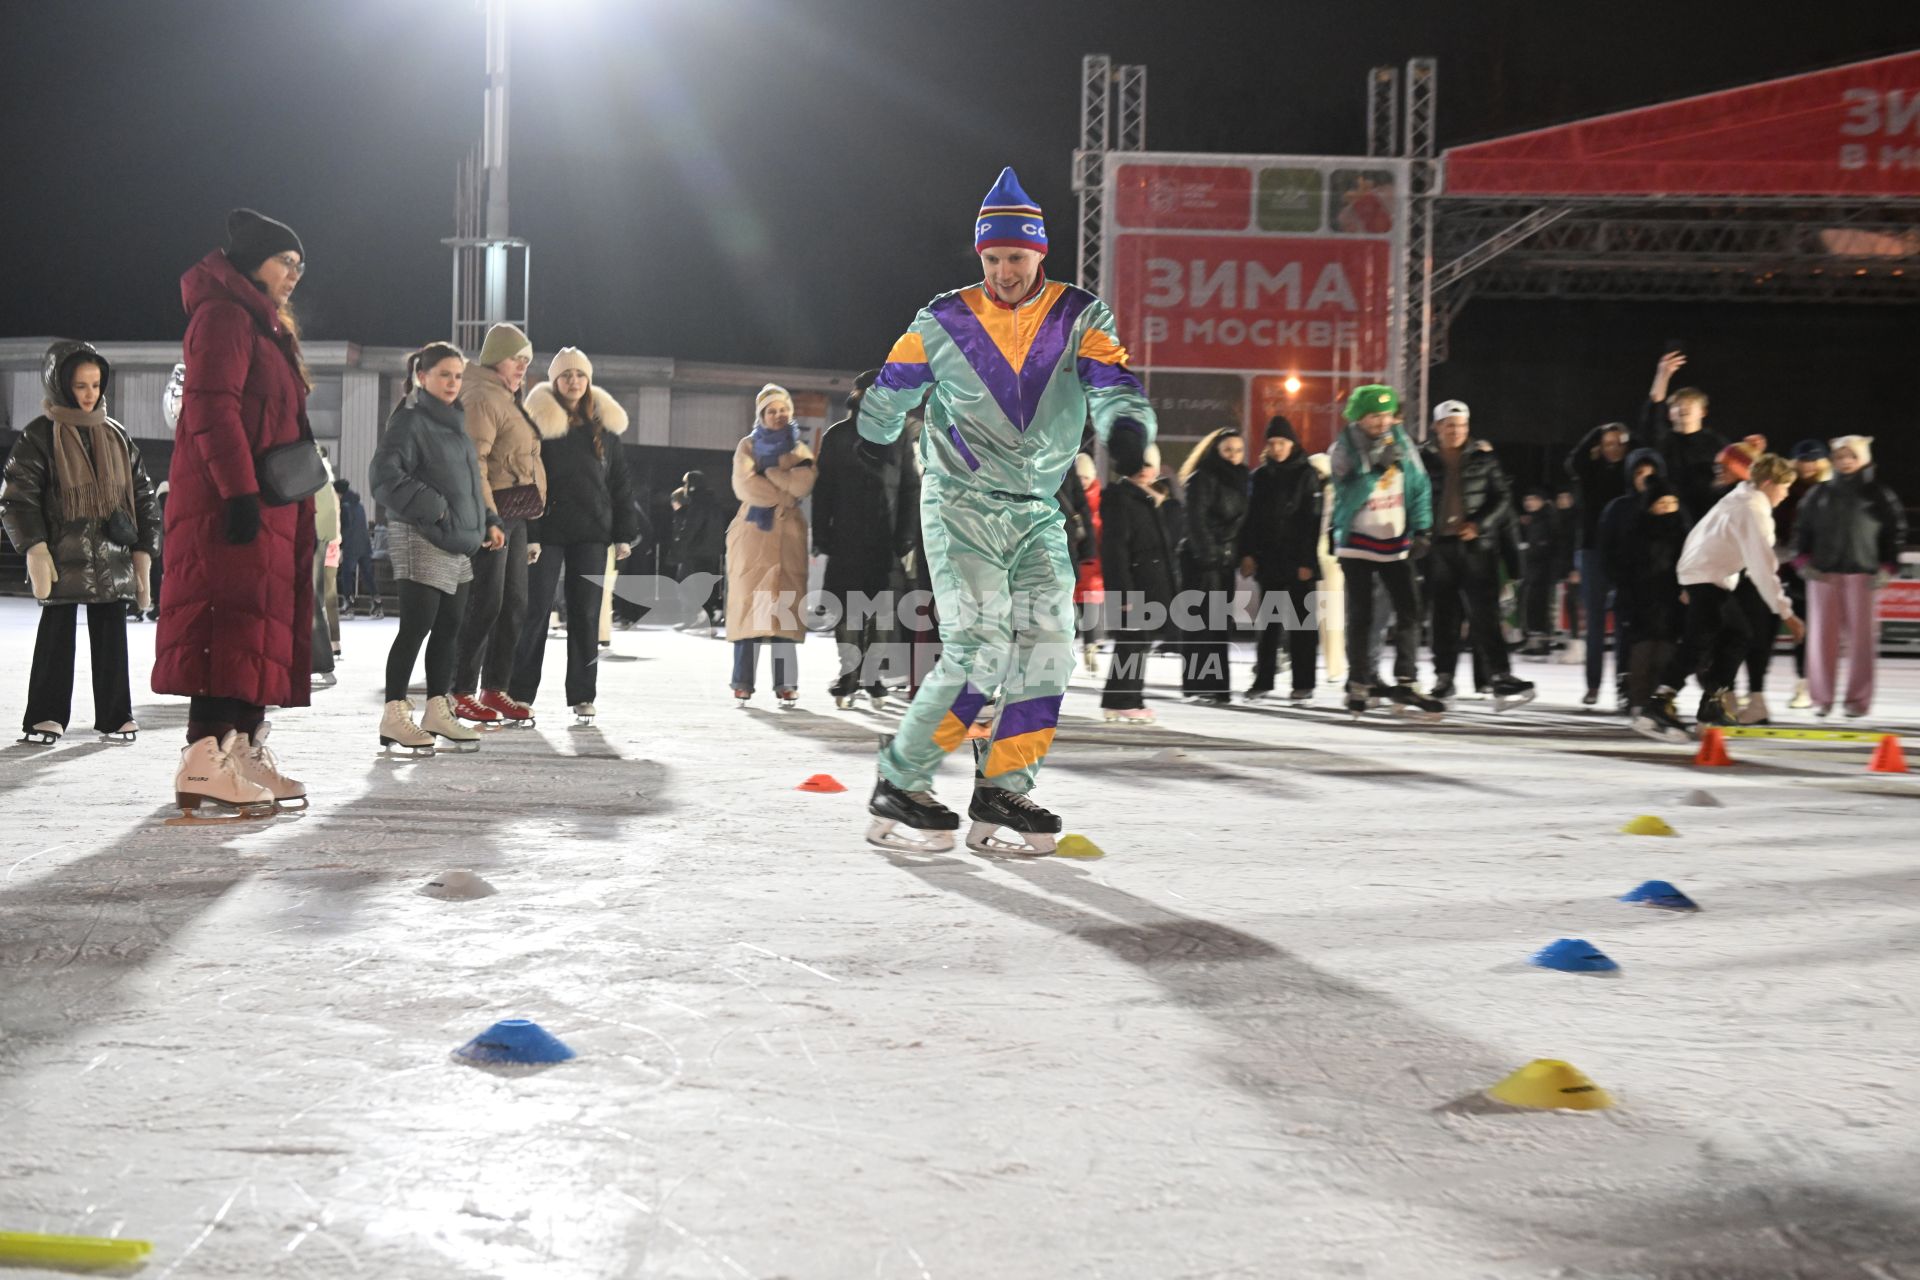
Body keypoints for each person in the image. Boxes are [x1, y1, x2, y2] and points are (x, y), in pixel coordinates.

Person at [854, 166, 1156, 854]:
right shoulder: (945, 317)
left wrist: (1128, 425)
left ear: (1039, 254)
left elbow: (1113, 381)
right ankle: (902, 779)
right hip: (960, 503)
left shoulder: (1080, 315)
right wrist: (872, 435)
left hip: (1036, 511)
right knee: (981, 646)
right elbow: (892, 383)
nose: (1003, 271)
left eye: (1015, 258)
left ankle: (1002, 786)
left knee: (1049, 651)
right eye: (992, 258)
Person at [154, 209, 317, 817]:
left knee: (254, 630)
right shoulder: (223, 316)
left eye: (300, 265)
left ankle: (241, 747)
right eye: (286, 261)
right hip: (232, 501)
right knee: (225, 627)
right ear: (253, 262)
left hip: (269, 503)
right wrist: (238, 492)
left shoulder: (265, 327)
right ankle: (203, 756)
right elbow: (210, 408)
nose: (294, 274)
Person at [1, 341, 161, 745]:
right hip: (61, 554)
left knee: (111, 635)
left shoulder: (116, 434)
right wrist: (35, 547)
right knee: (57, 634)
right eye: (80, 385)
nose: (90, 394)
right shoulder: (39, 436)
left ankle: (115, 714)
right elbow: (17, 497)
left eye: (95, 384)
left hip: (112, 555)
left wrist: (144, 548)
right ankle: (45, 716)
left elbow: (142, 496)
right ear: (60, 385)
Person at [369, 343, 499, 754]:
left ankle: (437, 709)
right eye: (444, 374)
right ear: (422, 377)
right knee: (417, 627)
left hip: (456, 542)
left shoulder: (455, 423)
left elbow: (470, 483)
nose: (452, 383)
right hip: (420, 534)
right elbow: (385, 476)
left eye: (458, 376)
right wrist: (437, 509)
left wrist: (487, 521)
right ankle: (394, 714)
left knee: (449, 628)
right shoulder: (409, 421)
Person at [1636, 453, 1805, 739]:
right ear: (1767, 483)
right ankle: (1658, 704)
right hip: (1706, 577)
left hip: (1705, 575)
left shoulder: (1739, 499)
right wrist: (1786, 612)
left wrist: (1689, 578)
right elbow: (1763, 567)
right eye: (1784, 486)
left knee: (1737, 634)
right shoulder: (1754, 510)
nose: (1785, 494)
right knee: (1698, 643)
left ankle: (1712, 702)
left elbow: (1704, 535)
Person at [511, 347, 639, 724]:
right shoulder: (538, 423)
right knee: (534, 611)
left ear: (589, 381)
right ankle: (519, 693)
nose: (573, 381)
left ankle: (583, 694)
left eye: (580, 375)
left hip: (593, 534)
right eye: (566, 375)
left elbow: (620, 483)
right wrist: (530, 531)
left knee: (585, 614)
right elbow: (528, 479)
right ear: (554, 380)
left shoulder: (604, 426)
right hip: (547, 530)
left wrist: (624, 533)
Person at [451, 322, 545, 727]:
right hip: (493, 512)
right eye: (515, 358)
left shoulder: (507, 396)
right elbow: (475, 461)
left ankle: (495, 687)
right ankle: (459, 690)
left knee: (514, 604)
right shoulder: (482, 395)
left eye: (526, 359)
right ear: (494, 359)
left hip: (516, 513)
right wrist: (490, 518)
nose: (522, 366)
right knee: (485, 602)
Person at [1327, 385, 1440, 718]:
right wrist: (1375, 468)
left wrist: (1422, 529)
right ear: (1359, 417)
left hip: (1394, 541)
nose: (1381, 422)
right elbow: (1345, 494)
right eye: (1374, 415)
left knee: (1410, 610)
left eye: (1386, 414)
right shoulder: (1343, 448)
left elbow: (1419, 487)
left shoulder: (1402, 442)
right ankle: (1359, 681)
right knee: (1360, 616)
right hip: (1357, 542)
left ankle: (1406, 679)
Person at [813, 371, 917, 709]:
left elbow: (909, 488)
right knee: (847, 610)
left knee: (882, 612)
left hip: (885, 537)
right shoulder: (837, 436)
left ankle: (872, 677)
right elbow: (823, 490)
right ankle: (849, 675)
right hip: (846, 534)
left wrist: (905, 536)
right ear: (857, 396)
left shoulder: (899, 434)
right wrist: (822, 533)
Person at [1419, 401, 1533, 708]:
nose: (1456, 431)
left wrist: (1479, 524)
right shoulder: (1423, 458)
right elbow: (1413, 496)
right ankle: (1444, 678)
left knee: (1485, 616)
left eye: (1461, 425)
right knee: (1444, 617)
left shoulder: (1484, 458)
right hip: (1438, 548)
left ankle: (1499, 677)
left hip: (1476, 549)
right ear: (1437, 427)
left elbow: (1503, 498)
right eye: (1449, 425)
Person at [1794, 435, 1905, 718]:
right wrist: (1803, 561)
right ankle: (1821, 699)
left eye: (1851, 456)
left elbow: (1895, 532)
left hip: (1863, 574)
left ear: (1863, 459)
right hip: (1823, 574)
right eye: (1840, 457)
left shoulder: (1878, 494)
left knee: (1861, 643)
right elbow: (1801, 530)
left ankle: (1857, 701)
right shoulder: (1818, 494)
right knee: (1820, 641)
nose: (1845, 462)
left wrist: (1888, 566)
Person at [725, 383, 815, 706]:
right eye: (772, 411)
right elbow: (746, 486)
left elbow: (804, 482)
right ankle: (742, 681)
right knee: (752, 608)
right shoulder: (747, 447)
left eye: (783, 410)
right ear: (761, 415)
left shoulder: (801, 449)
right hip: (753, 535)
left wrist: (772, 474)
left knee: (785, 611)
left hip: (788, 536)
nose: (778, 415)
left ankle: (786, 683)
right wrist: (782, 485)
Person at [1237, 416, 1322, 702]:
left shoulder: (1307, 475)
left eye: (1282, 443)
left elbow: (1313, 522)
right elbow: (1250, 519)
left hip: (1299, 562)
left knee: (1303, 625)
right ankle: (1263, 680)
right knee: (1269, 626)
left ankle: (1303, 682)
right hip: (1270, 560)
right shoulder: (1260, 477)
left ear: (1293, 444)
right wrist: (1247, 553)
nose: (1276, 448)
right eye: (1272, 443)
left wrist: (1307, 563)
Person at [1601, 451, 1690, 718]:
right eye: (1639, 473)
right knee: (1635, 650)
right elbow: (1611, 552)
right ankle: (1634, 696)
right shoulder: (1622, 511)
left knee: (1666, 650)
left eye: (1650, 474)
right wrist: (1620, 583)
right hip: (1636, 596)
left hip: (1670, 598)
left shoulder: (1681, 522)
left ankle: (1661, 700)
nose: (1644, 479)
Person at [1099, 444, 1175, 724]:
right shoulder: (1122, 499)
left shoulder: (1149, 499)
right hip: (1134, 584)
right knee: (1131, 641)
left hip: (1149, 582)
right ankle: (1123, 699)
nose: (1146, 471)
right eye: (1141, 465)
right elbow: (1115, 549)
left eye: (1151, 465)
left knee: (1139, 641)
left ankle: (1127, 697)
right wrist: (1124, 592)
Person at [1177, 428, 1249, 703]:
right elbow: (1196, 520)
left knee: (1219, 625)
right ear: (1216, 451)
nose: (1234, 455)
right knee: (1200, 625)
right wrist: (1210, 555)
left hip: (1224, 561)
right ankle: (1197, 685)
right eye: (1228, 449)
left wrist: (1236, 555)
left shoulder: (1242, 478)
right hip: (1201, 561)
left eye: (1238, 450)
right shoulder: (1202, 477)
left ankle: (1218, 687)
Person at [1564, 420, 1630, 705]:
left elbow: (1644, 447)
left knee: (1626, 621)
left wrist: (1623, 435)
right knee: (1595, 622)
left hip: (1626, 553)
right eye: (1607, 444)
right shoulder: (1590, 472)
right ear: (1599, 447)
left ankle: (1624, 685)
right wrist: (1598, 430)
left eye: (1617, 444)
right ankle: (1593, 685)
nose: (1612, 449)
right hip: (1592, 551)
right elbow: (1574, 460)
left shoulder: (1631, 473)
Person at [1635, 350, 1729, 528]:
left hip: (1707, 520)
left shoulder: (1716, 443)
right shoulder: (1663, 440)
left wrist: (1752, 450)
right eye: (1677, 405)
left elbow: (1734, 474)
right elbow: (1652, 417)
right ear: (1670, 414)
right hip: (1670, 520)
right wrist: (1663, 375)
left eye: (1690, 403)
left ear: (1703, 412)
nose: (1683, 408)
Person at [1780, 439, 1832, 708]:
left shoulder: (1831, 491)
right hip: (1792, 568)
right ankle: (1802, 683)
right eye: (1803, 459)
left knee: (1822, 631)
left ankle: (1818, 685)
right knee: (1801, 628)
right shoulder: (1786, 489)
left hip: (1825, 569)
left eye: (1813, 459)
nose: (1808, 465)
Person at [669, 470, 726, 631]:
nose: (684, 487)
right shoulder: (713, 502)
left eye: (686, 483)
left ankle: (700, 622)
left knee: (688, 586)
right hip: (712, 552)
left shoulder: (698, 503)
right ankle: (699, 621)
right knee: (704, 587)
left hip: (695, 552)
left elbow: (691, 528)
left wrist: (679, 547)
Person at [1071, 452, 1106, 673]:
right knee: (1071, 611)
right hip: (1074, 564)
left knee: (1091, 611)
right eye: (1079, 477)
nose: (1082, 482)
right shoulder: (1069, 498)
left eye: (1086, 477)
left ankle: (1091, 648)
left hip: (1093, 565)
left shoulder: (1100, 501)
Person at [309, 448, 340, 687]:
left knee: (311, 601)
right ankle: (321, 660)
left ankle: (320, 661)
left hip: (312, 534)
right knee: (315, 599)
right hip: (321, 536)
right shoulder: (324, 474)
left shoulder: (309, 468)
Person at [1515, 490, 1558, 655]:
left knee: (1540, 605)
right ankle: (1534, 641)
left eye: (1532, 499)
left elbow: (1550, 542)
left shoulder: (1548, 517)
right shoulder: (1535, 518)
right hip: (1534, 568)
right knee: (1532, 604)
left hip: (1544, 568)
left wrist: (1531, 550)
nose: (1529, 503)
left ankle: (1542, 643)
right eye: (1527, 499)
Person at [334, 478, 373, 612]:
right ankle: (377, 602)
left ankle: (348, 604)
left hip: (351, 545)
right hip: (364, 544)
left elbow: (345, 527)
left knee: (346, 574)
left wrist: (340, 547)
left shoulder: (344, 506)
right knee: (368, 575)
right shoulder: (359, 505)